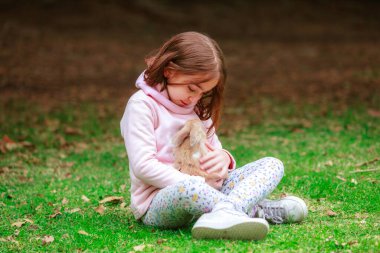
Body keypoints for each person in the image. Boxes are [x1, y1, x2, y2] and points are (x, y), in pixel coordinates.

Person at [120, 31, 307, 240]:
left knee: (273, 164)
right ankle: (254, 211)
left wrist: (224, 158)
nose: (194, 97)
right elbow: (143, 166)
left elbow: (214, 151)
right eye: (192, 88)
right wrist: (195, 185)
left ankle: (225, 212)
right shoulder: (142, 106)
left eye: (203, 93)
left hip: (210, 189)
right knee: (189, 187)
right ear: (169, 71)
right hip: (160, 201)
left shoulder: (196, 109)